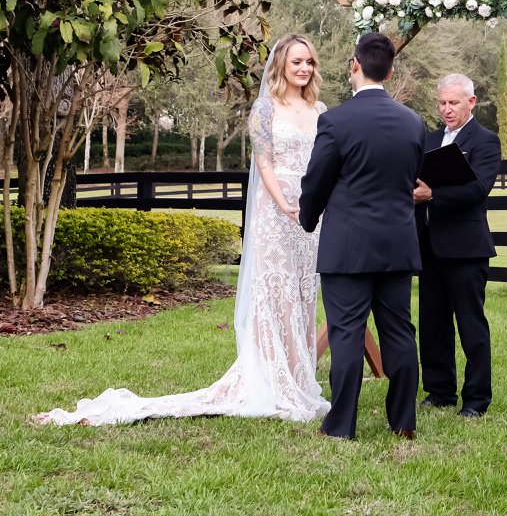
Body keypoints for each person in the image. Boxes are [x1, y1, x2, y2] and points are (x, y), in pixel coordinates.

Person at [34, 36, 330, 425]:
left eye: (309, 61)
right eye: (296, 62)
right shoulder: (264, 108)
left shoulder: (321, 109)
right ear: (281, 66)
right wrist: (284, 205)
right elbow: (264, 164)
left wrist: (313, 204)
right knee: (275, 293)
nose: (304, 69)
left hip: (313, 212)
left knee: (304, 293)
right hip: (277, 212)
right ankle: (272, 379)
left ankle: (298, 375)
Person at [299, 31, 425, 439]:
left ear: (354, 65)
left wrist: (307, 216)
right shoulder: (414, 122)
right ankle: (404, 421)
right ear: (390, 71)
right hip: (398, 242)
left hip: (348, 245)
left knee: (347, 334)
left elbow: (317, 179)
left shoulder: (334, 120)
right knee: (399, 333)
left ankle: (341, 425)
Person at [415, 73, 502, 417]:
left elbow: (478, 189)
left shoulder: (485, 141)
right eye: (442, 103)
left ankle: (477, 399)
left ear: (471, 101)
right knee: (433, 324)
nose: (447, 109)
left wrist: (433, 194)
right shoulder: (429, 139)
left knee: (471, 325)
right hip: (429, 245)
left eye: (453, 102)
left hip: (467, 248)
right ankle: (439, 391)